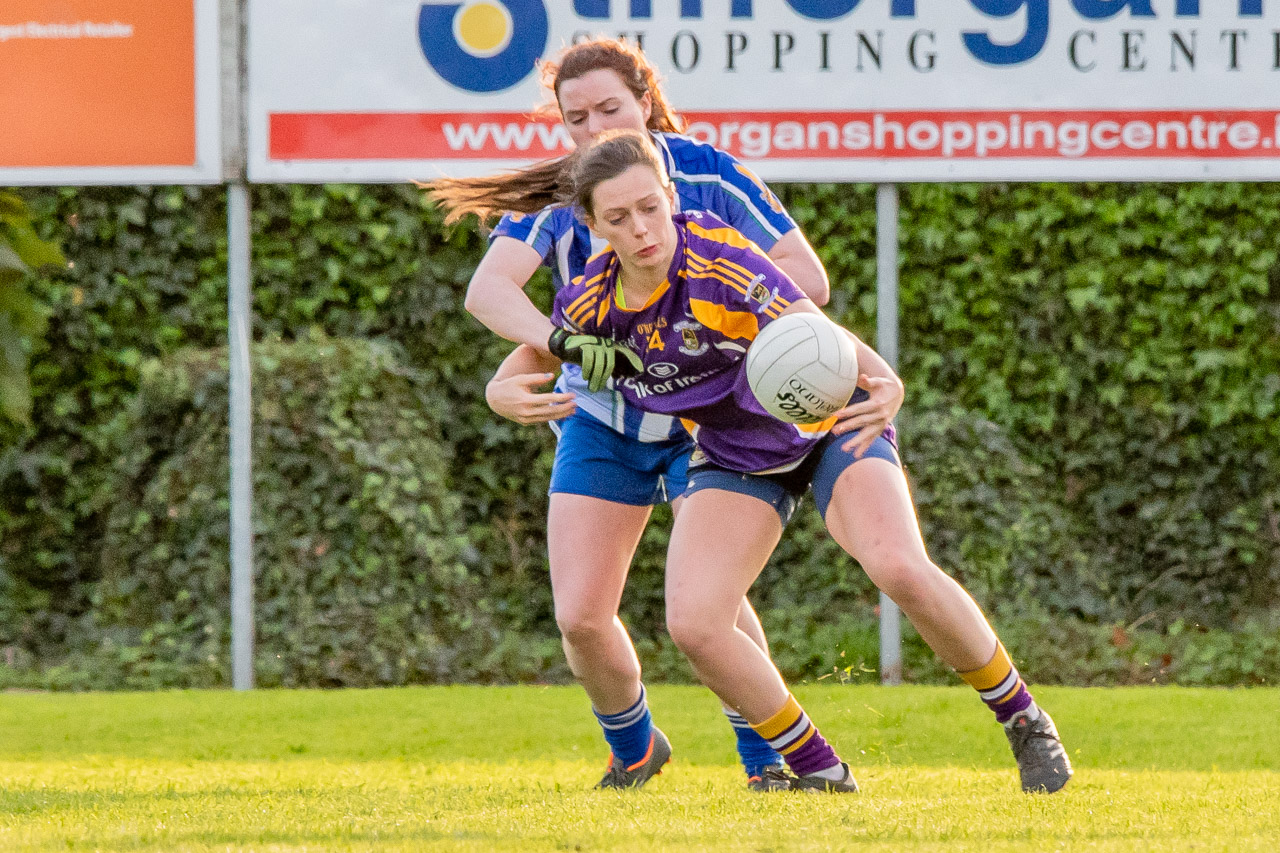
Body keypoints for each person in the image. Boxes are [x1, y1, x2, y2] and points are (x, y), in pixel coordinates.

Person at [509, 129, 1073, 794]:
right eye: (618, 218)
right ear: (593, 226)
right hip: (736, 456)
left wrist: (881, 376)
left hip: (828, 426)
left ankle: (1024, 719)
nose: (640, 230)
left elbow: (807, 320)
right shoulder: (593, 299)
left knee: (896, 564)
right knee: (694, 622)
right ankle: (819, 766)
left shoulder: (716, 255)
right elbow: (534, 355)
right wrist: (499, 388)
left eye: (650, 208)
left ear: (670, 197)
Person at [428, 38, 831, 791]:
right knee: (580, 617)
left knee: (714, 608)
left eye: (609, 108)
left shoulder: (710, 173)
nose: (592, 128)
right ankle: (636, 746)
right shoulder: (566, 191)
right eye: (575, 116)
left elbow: (807, 282)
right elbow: (490, 293)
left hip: (707, 418)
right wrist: (548, 351)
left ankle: (767, 758)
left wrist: (711, 304)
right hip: (605, 417)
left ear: (645, 101)